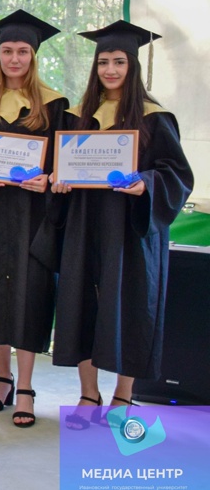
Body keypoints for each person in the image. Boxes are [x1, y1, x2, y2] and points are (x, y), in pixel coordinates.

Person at [44, 21, 192, 426]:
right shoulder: (78, 116)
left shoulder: (154, 117)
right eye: (103, 62)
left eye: (119, 62)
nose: (110, 70)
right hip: (83, 224)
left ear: (133, 66)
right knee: (81, 304)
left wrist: (146, 183)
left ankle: (123, 396)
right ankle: (87, 394)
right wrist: (58, 181)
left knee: (130, 305)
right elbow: (59, 166)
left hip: (130, 229)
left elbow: (177, 174)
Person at [0, 10, 68, 428]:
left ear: (34, 56)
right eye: (7, 50)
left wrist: (48, 179)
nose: (14, 59)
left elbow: (64, 164)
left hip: (31, 216)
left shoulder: (55, 105)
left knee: (29, 296)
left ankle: (25, 386)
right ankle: (2, 378)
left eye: (22, 51)